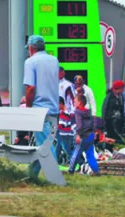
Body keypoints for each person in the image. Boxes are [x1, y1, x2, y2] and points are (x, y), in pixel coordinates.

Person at [22, 35, 61, 179]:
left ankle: (55, 177)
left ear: (31, 48)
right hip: (54, 108)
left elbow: (31, 88)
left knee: (45, 145)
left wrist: (28, 107)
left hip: (39, 109)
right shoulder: (54, 60)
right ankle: (32, 174)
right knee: (45, 142)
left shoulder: (30, 62)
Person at [69, 92, 108, 175]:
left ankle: (71, 170)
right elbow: (94, 122)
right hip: (90, 135)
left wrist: (78, 135)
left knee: (76, 153)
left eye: (75, 102)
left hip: (83, 136)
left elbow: (79, 125)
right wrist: (94, 133)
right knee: (90, 155)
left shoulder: (78, 112)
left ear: (80, 103)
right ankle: (96, 171)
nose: (74, 103)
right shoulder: (89, 112)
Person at [57, 98, 76, 162]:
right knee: (63, 149)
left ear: (61, 104)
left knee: (68, 151)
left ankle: (79, 163)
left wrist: (55, 128)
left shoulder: (64, 113)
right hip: (66, 134)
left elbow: (62, 125)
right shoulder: (65, 112)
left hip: (65, 134)